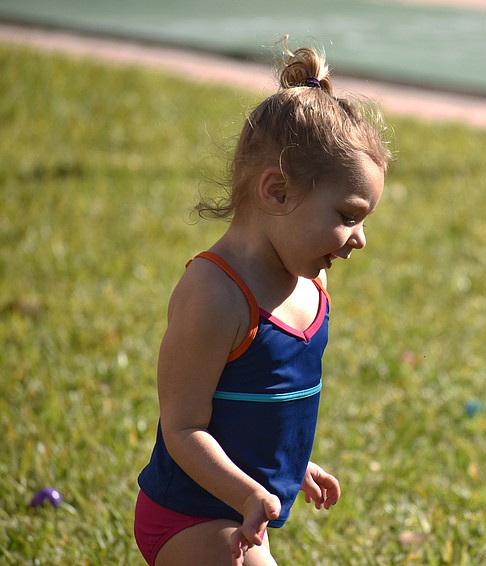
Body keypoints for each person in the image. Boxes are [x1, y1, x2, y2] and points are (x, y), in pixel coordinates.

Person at [134, 38, 392, 566]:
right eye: (347, 215)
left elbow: (259, 407)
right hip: (191, 513)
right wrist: (248, 492)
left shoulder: (310, 286)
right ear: (276, 193)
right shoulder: (216, 293)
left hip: (241, 510)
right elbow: (183, 429)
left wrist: (291, 466)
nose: (359, 238)